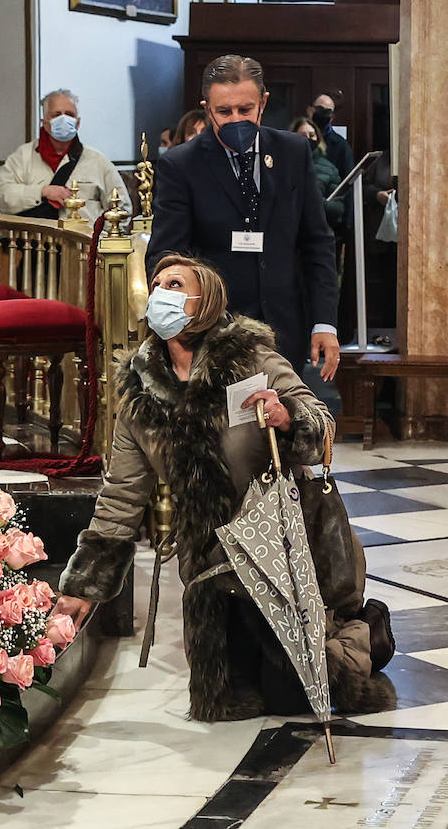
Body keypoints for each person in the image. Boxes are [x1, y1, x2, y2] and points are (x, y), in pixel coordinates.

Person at [53, 254, 394, 720]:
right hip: (211, 561)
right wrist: (84, 585)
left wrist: (286, 417)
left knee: (295, 693)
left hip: (279, 543)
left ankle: (369, 631)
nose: (160, 293)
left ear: (205, 301)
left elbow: (322, 425)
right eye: (156, 284)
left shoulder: (251, 358)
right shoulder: (139, 390)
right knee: (229, 698)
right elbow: (121, 495)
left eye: (175, 284)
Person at [147, 54, 339, 378]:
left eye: (245, 109)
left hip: (284, 326)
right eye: (224, 111)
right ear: (206, 107)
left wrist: (324, 321)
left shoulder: (293, 152)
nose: (236, 119)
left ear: (263, 103)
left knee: (281, 424)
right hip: (214, 332)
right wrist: (177, 327)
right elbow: (167, 256)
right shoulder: (181, 165)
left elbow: (317, 242)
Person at [0, 89, 128, 226]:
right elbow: (0, 195)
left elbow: (122, 208)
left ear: (77, 123)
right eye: (56, 115)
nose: (63, 119)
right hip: (34, 243)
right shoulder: (22, 157)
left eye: (69, 114)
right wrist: (41, 192)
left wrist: (101, 240)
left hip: (84, 244)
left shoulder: (98, 161)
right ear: (45, 122)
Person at [290, 117, 344, 233]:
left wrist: (312, 199)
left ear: (318, 138)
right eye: (303, 135)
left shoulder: (330, 169)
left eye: (312, 135)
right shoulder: (282, 164)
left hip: (318, 232)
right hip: (288, 232)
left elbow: (338, 209)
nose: (308, 139)